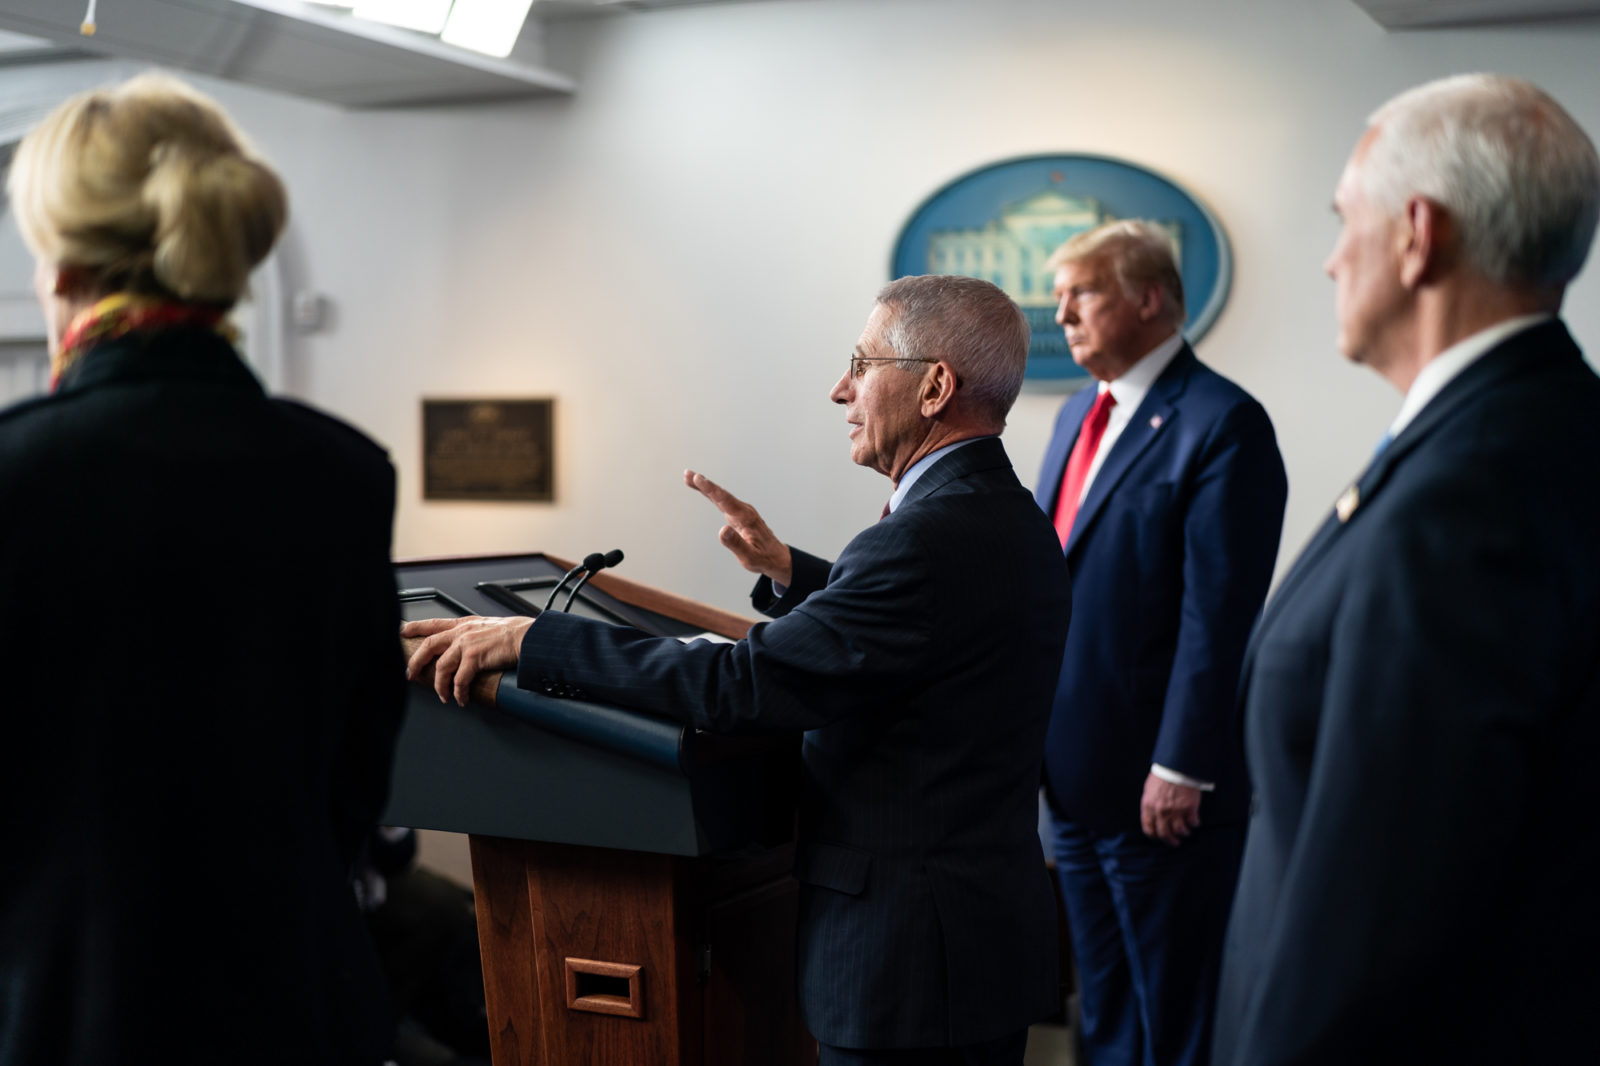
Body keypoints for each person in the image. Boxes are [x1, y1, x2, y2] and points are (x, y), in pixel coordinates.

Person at [404, 274, 1071, 1065]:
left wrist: (532, 640)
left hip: (910, 966)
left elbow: (742, 686)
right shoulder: (1003, 515)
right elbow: (927, 635)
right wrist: (793, 573)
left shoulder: (921, 540)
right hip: (967, 940)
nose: (840, 389)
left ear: (933, 386)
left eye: (861, 364)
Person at [0, 74, 405, 1064]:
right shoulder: (345, 472)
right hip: (295, 1002)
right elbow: (356, 778)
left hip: (63, 1008)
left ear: (60, 271)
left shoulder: (17, 472)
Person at [1211, 74, 1600, 1065]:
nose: (1334, 258)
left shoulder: (1471, 498)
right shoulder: (1525, 430)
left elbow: (1372, 923)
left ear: (1417, 234)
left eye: (1345, 218)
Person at [1034, 221, 1286, 1066]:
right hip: (1069, 781)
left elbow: (1218, 616)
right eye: (1058, 295)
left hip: (1161, 791)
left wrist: (1182, 765)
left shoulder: (1224, 423)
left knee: (1178, 1017)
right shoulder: (1076, 413)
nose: (1061, 312)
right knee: (1102, 1012)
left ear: (1150, 299)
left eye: (1083, 293)